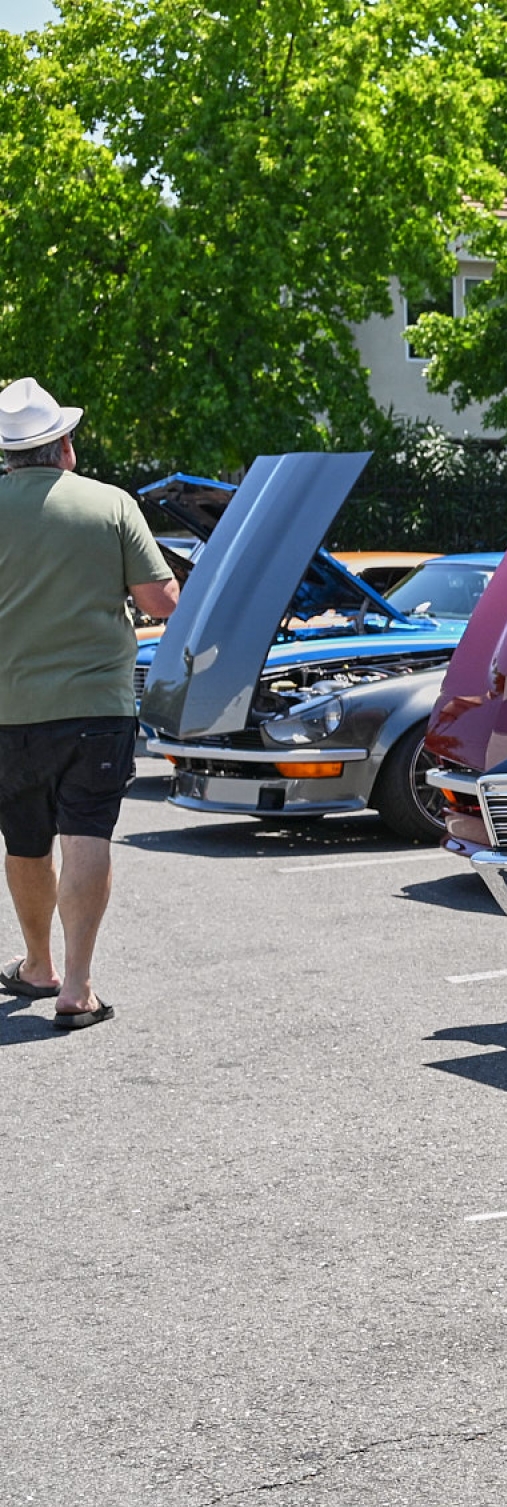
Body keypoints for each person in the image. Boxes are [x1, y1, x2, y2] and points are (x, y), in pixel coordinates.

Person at [0, 378, 179, 1029]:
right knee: (86, 834)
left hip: (8, 710)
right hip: (96, 708)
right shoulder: (111, 504)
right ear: (65, 446)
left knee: (25, 841)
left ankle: (37, 966)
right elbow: (162, 602)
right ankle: (76, 988)